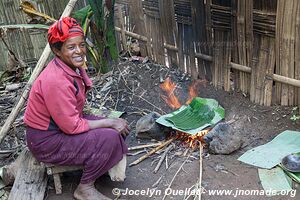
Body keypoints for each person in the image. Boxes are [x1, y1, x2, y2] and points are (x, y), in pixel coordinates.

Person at [24, 17, 129, 200]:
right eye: (71, 47)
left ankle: (100, 163)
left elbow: (71, 117)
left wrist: (110, 122)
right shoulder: (55, 80)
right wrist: (109, 122)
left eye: (81, 45)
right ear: (57, 50)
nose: (79, 51)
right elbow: (71, 126)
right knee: (110, 136)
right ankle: (84, 188)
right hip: (46, 143)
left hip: (58, 130)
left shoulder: (68, 66)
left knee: (118, 127)